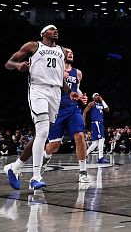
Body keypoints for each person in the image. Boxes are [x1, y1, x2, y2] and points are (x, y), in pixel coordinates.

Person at [3, 25, 78, 190]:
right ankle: (35, 177)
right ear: (43, 33)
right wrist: (17, 65)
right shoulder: (33, 45)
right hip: (38, 90)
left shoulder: (62, 50)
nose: (55, 30)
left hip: (56, 93)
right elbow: (8, 63)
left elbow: (59, 76)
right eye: (51, 29)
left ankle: (14, 168)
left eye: (57, 29)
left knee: (41, 135)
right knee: (43, 132)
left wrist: (70, 91)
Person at [43, 48, 92, 183]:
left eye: (72, 52)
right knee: (54, 145)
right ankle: (45, 156)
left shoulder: (78, 73)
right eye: (68, 52)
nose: (71, 54)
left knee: (80, 136)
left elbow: (76, 88)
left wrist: (81, 97)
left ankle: (82, 171)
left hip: (72, 109)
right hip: (56, 110)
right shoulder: (53, 69)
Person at [84, 93, 110, 163]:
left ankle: (84, 155)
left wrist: (102, 100)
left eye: (98, 95)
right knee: (102, 139)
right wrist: (83, 121)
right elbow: (85, 112)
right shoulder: (92, 104)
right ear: (93, 97)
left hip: (100, 123)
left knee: (96, 142)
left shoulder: (101, 104)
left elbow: (107, 110)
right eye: (96, 95)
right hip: (96, 123)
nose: (97, 96)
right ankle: (100, 158)